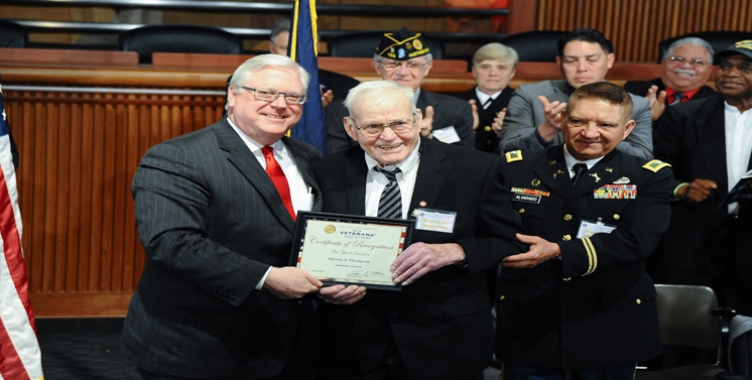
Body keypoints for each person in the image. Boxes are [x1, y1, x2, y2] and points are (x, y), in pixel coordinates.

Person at [120, 54, 325, 379]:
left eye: (293, 97)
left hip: (289, 344)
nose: (280, 104)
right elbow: (171, 242)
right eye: (267, 93)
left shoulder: (310, 157)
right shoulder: (178, 156)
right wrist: (267, 277)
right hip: (199, 346)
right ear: (233, 94)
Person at [311, 80, 530, 380]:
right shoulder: (326, 170)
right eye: (373, 126)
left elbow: (512, 242)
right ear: (350, 128)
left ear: (416, 118)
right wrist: (324, 285)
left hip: (446, 342)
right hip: (351, 343)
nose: (388, 137)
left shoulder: (475, 168)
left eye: (399, 123)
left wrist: (457, 251)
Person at [496, 82, 673, 379]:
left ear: (627, 129)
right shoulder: (519, 167)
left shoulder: (648, 176)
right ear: (563, 119)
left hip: (607, 323)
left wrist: (558, 251)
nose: (590, 133)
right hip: (530, 321)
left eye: (606, 125)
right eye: (578, 121)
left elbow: (636, 242)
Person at [655, 40, 752, 317]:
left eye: (745, 67)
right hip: (694, 243)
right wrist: (682, 188)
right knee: (687, 339)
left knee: (750, 343)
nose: (730, 73)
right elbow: (655, 173)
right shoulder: (683, 116)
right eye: (725, 66)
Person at [498, 28, 654, 160]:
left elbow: (643, 157)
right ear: (560, 63)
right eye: (571, 61)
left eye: (591, 60)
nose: (581, 68)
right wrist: (548, 129)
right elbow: (506, 152)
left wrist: (601, 137)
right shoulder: (530, 95)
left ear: (609, 60)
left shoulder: (636, 104)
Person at [325, 27, 476, 153]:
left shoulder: (457, 111)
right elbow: (340, 163)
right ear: (377, 67)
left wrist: (426, 141)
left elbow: (463, 165)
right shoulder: (341, 111)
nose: (403, 72)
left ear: (427, 68)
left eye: (413, 65)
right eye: (394, 64)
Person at [269, 18, 360, 107]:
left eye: (302, 48)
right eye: (286, 48)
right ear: (272, 49)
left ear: (316, 48)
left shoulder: (347, 87)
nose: (295, 54)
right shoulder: (257, 83)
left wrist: (322, 111)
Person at [624, 37, 718, 122]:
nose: (685, 65)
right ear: (663, 63)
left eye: (698, 62)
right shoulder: (634, 92)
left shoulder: (717, 103)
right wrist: (644, 119)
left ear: (710, 70)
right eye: (677, 59)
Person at [452, 42, 518, 153]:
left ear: (512, 72)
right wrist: (467, 131)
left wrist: (507, 134)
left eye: (501, 67)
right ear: (474, 70)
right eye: (485, 67)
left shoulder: (522, 103)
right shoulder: (454, 103)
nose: (493, 73)